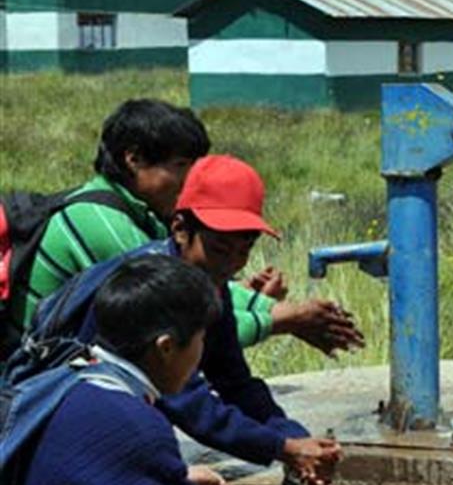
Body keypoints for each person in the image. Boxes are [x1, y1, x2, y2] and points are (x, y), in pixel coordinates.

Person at [25, 154, 344, 484]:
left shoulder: (205, 283)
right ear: (180, 229)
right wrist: (284, 448)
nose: (231, 264)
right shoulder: (151, 291)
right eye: (220, 249)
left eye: (244, 251)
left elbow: (233, 379)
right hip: (65, 426)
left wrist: (296, 438)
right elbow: (189, 404)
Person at [13, 98, 360, 355]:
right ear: (133, 159)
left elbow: (193, 286)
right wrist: (285, 318)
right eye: (181, 165)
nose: (191, 180)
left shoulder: (141, 215)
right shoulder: (98, 223)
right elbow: (181, 323)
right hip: (32, 388)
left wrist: (259, 302)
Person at [25, 255, 227, 485]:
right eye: (201, 338)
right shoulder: (142, 428)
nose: (201, 350)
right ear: (166, 347)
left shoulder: (63, 382)